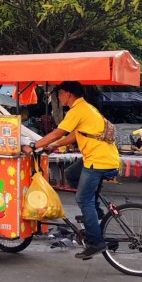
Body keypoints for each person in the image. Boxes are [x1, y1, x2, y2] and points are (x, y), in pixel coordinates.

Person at [23, 81, 120, 261]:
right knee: (70, 174)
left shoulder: (79, 110)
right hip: (99, 158)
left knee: (83, 199)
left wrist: (33, 145)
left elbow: (57, 132)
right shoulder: (86, 108)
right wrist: (53, 146)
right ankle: (94, 212)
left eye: (59, 94)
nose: (59, 98)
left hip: (97, 161)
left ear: (68, 94)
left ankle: (95, 241)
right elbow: (76, 134)